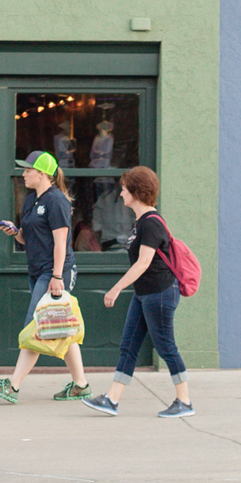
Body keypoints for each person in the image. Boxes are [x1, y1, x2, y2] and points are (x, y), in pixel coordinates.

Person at [81, 167, 193, 419]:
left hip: (160, 293)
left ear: (136, 191)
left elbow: (143, 263)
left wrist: (116, 288)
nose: (120, 194)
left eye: (124, 188)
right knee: (128, 346)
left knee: (165, 347)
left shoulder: (151, 223)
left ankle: (184, 400)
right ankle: (112, 399)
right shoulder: (141, 222)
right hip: (144, 293)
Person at [0, 151, 89, 404]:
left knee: (35, 325)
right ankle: (81, 385)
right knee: (61, 329)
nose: (23, 174)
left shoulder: (57, 201)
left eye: (28, 170)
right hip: (38, 270)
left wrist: (56, 276)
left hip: (54, 271)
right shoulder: (32, 200)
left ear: (42, 174)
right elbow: (27, 238)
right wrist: (15, 232)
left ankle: (13, 386)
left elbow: (61, 242)